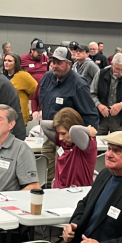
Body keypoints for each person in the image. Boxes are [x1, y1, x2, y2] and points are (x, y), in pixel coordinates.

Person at [33, 46, 99, 186]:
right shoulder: (47, 77)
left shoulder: (79, 84)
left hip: (68, 140)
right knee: (47, 174)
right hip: (50, 134)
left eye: (60, 63)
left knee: (63, 176)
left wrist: (83, 138)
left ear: (69, 64)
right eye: (54, 62)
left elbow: (91, 116)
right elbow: (40, 98)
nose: (55, 66)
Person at [42, 107, 98, 188]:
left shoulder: (86, 143)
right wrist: (59, 123)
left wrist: (88, 130)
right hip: (58, 193)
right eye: (59, 133)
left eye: (63, 133)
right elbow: (43, 125)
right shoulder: (64, 142)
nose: (60, 138)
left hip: (77, 195)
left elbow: (74, 130)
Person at [90, 53, 122, 135]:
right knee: (97, 143)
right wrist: (99, 105)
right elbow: (92, 94)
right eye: (117, 69)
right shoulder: (101, 74)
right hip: (101, 119)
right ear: (112, 64)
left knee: (121, 145)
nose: (120, 72)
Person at [1, 52, 38, 124]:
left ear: (16, 63)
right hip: (3, 116)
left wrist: (36, 109)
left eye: (9, 61)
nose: (6, 63)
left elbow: (37, 91)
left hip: (19, 117)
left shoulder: (23, 76)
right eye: (5, 60)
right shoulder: (1, 75)